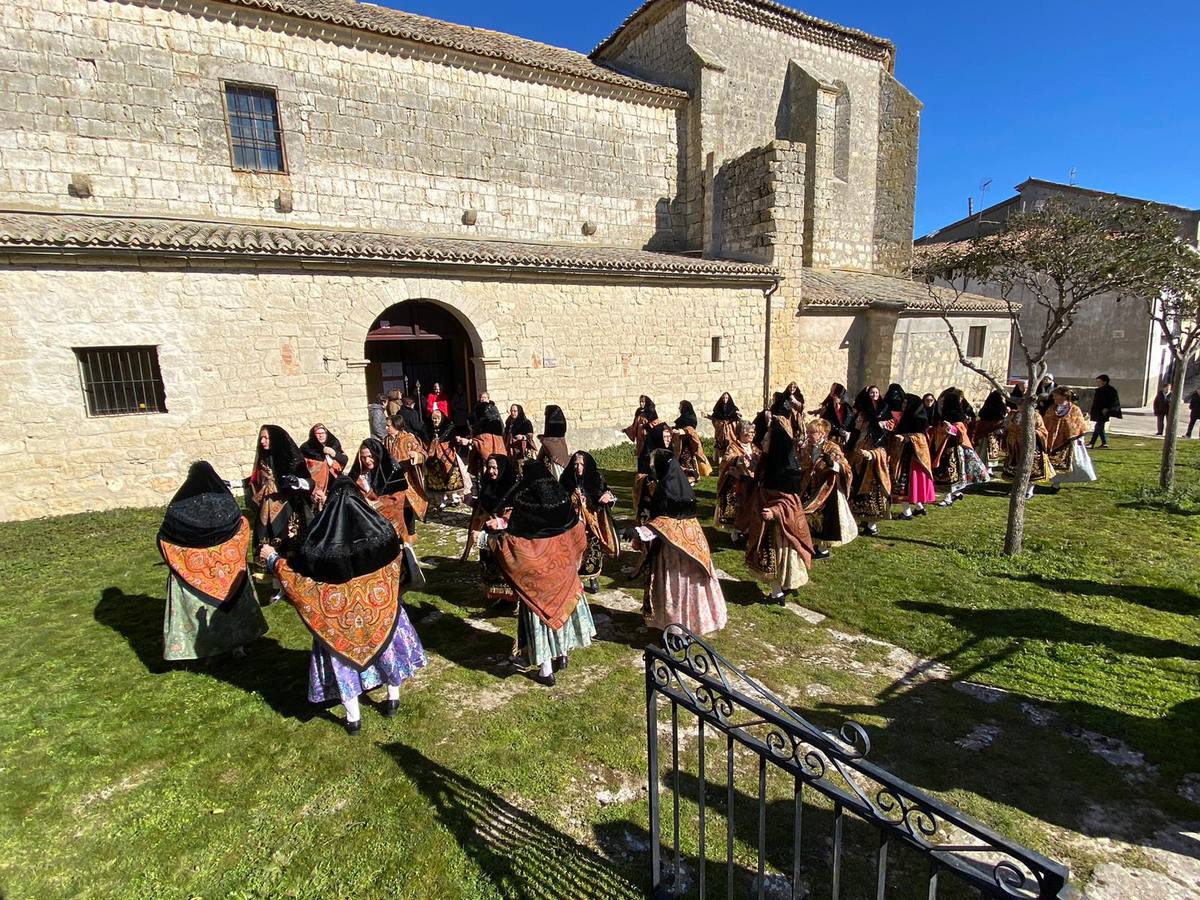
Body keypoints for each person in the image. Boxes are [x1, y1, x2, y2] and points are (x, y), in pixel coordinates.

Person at [260, 477, 427, 734]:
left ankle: (353, 719)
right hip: (380, 612)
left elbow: (301, 584)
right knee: (388, 654)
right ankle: (393, 699)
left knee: (343, 666)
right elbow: (398, 562)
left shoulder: (319, 544)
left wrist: (273, 559)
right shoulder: (381, 535)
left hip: (337, 622)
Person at [488, 462, 597, 687]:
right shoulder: (560, 501)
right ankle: (563, 654)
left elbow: (515, 545)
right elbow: (578, 532)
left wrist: (491, 539)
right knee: (564, 616)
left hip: (538, 580)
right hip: (565, 572)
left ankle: (546, 670)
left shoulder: (526, 505)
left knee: (542, 621)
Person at [158, 461, 268, 662]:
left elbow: (165, 537)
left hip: (196, 576)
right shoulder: (226, 503)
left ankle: (207, 649)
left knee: (206, 609)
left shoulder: (179, 507)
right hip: (228, 569)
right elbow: (241, 525)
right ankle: (238, 647)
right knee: (233, 610)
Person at [634, 451, 728, 634]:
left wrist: (640, 531)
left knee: (676, 589)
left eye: (655, 466)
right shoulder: (684, 487)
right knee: (693, 587)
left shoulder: (664, 490)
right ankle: (695, 623)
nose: (653, 469)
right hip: (691, 543)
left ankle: (676, 631)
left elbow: (663, 522)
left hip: (672, 551)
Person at [738, 393, 814, 602]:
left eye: (767, 437)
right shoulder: (769, 463)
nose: (763, 439)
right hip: (766, 522)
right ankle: (782, 587)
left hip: (778, 527)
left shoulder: (785, 471)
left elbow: (790, 503)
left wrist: (775, 511)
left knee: (779, 559)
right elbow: (758, 485)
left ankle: (777, 593)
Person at [249, 424, 313, 572]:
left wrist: (296, 482)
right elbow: (254, 479)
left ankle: (290, 574)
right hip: (267, 505)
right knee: (264, 536)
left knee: (288, 538)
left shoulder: (289, 458)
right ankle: (271, 575)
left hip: (288, 506)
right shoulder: (263, 459)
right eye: (261, 438)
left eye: (266, 438)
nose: (262, 442)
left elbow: (308, 481)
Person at [462, 453, 519, 607]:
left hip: (504, 537)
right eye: (489, 467)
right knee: (491, 567)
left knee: (506, 570)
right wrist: (472, 502)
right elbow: (485, 504)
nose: (491, 471)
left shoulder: (513, 488)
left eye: (495, 468)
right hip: (487, 534)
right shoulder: (488, 484)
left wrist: (500, 522)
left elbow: (516, 514)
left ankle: (511, 601)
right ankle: (497, 597)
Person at [797, 418, 857, 559]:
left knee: (824, 518)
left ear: (822, 434)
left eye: (813, 433)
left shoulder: (832, 448)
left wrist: (832, 464)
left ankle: (823, 549)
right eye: (809, 432)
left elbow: (846, 468)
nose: (809, 435)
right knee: (808, 515)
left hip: (827, 490)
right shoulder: (807, 448)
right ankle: (812, 544)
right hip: (809, 486)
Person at [560, 451, 619, 594]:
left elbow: (606, 492)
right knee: (573, 549)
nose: (578, 468)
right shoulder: (566, 479)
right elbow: (560, 496)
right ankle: (573, 579)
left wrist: (606, 496)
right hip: (573, 522)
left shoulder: (596, 477)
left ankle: (593, 577)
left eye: (581, 464)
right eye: (576, 464)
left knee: (593, 548)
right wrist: (572, 499)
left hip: (592, 522)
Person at [930, 388, 989, 506]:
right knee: (948, 473)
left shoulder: (957, 418)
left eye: (943, 402)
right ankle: (955, 494)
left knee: (952, 474)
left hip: (954, 450)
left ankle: (947, 499)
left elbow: (961, 432)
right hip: (943, 449)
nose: (940, 404)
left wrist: (950, 429)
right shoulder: (941, 416)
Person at [349, 437, 413, 545]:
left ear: (378, 455)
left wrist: (375, 504)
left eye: (370, 456)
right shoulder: (358, 475)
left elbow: (398, 499)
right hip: (369, 526)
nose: (367, 461)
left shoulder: (392, 473)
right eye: (363, 457)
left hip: (390, 523)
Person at [847, 386, 892, 537]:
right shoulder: (862, 411)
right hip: (860, 451)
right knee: (858, 483)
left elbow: (890, 428)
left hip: (877, 453)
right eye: (871, 393)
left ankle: (872, 524)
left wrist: (882, 425)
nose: (874, 395)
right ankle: (862, 519)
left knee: (874, 484)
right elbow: (856, 428)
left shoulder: (884, 409)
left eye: (876, 393)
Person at [887, 394, 935, 519]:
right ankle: (919, 508)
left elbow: (921, 438)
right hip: (903, 455)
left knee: (905, 485)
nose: (903, 405)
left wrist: (906, 438)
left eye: (905, 403)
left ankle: (906, 512)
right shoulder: (905, 418)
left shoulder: (919, 419)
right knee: (909, 486)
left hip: (913, 458)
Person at [714, 419, 758, 542]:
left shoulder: (753, 447)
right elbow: (726, 460)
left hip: (750, 482)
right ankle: (735, 532)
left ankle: (746, 529)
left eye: (753, 432)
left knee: (749, 506)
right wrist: (739, 458)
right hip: (735, 483)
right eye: (749, 432)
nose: (752, 435)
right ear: (742, 433)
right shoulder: (733, 446)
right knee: (737, 507)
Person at [1043, 387, 1097, 487]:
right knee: (1053, 462)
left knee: (1071, 463)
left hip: (1069, 441)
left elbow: (1078, 425)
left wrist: (1077, 438)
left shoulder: (1075, 410)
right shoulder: (1051, 409)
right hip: (1053, 441)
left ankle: (1058, 482)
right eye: (1054, 396)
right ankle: (1055, 482)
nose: (1054, 398)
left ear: (1064, 396)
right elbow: (1046, 422)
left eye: (1056, 396)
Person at [384, 413, 429, 529]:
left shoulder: (409, 439)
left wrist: (416, 455)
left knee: (407, 505)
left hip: (407, 477)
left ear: (396, 426)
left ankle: (410, 533)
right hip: (392, 478)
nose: (386, 428)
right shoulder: (386, 440)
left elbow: (424, 454)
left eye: (388, 426)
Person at [299, 424, 348, 509]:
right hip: (317, 486)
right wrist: (323, 464)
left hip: (335, 483)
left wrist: (334, 453)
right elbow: (304, 467)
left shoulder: (334, 444)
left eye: (323, 433)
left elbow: (344, 459)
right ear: (313, 435)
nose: (321, 435)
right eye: (318, 433)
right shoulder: (307, 448)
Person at [424, 407, 466, 507]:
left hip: (448, 457)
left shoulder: (449, 427)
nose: (435, 421)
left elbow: (454, 440)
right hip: (434, 458)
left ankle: (454, 497)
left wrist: (456, 441)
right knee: (437, 478)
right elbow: (425, 441)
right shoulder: (428, 428)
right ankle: (441, 500)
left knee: (451, 476)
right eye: (433, 418)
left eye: (437, 418)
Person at [670, 400, 712, 484]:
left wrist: (680, 431)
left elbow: (690, 429)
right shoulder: (682, 418)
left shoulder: (691, 418)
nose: (679, 408)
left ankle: (692, 477)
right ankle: (682, 478)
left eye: (680, 406)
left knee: (687, 461)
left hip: (688, 444)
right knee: (681, 460)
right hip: (680, 443)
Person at [973, 390, 1009, 466]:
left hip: (982, 433)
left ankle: (980, 465)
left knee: (981, 450)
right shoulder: (999, 408)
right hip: (992, 434)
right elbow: (1001, 421)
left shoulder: (986, 407)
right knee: (989, 451)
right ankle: (988, 469)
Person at [536, 405, 570, 479]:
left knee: (558, 477)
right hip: (557, 456)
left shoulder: (549, 441)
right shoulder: (557, 438)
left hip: (557, 462)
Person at [1088, 374, 1122, 449]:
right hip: (1098, 411)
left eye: (1099, 381)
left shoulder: (1110, 390)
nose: (1098, 383)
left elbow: (1114, 402)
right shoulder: (1099, 390)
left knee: (1098, 426)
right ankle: (1104, 443)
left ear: (1105, 382)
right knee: (1100, 427)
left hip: (1105, 412)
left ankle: (1092, 443)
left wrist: (1108, 409)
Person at [504, 403, 538, 470]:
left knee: (522, 467)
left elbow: (530, 434)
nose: (513, 413)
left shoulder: (525, 422)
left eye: (515, 411)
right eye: (511, 411)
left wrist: (523, 437)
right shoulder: (508, 422)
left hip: (522, 449)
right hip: (510, 449)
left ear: (519, 411)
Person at [707, 392, 740, 460]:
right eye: (724, 398)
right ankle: (720, 457)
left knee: (730, 441)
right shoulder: (718, 408)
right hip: (720, 429)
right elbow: (714, 418)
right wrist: (720, 423)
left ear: (729, 399)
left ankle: (731, 457)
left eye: (726, 398)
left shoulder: (733, 408)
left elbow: (736, 418)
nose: (725, 399)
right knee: (720, 443)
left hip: (730, 429)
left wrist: (731, 423)